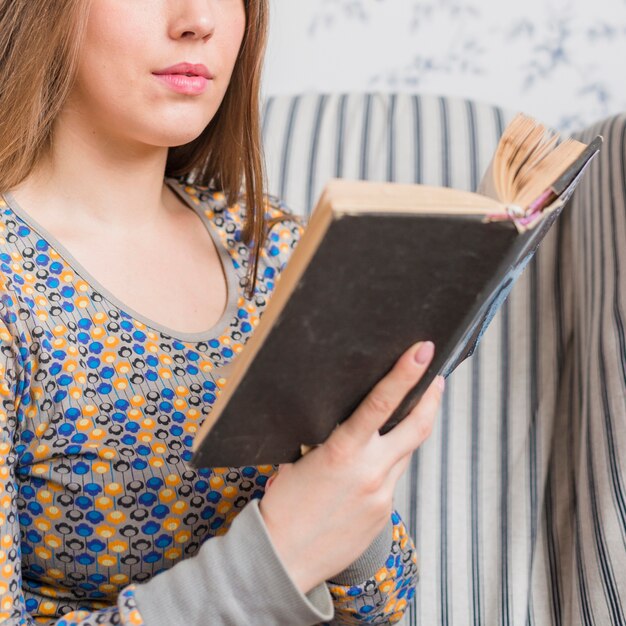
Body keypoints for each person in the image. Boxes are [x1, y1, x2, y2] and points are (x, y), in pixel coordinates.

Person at [0, 1, 445, 624]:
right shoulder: (13, 286)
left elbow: (385, 609)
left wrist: (353, 500)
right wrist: (281, 554)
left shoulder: (274, 246)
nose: (198, 19)